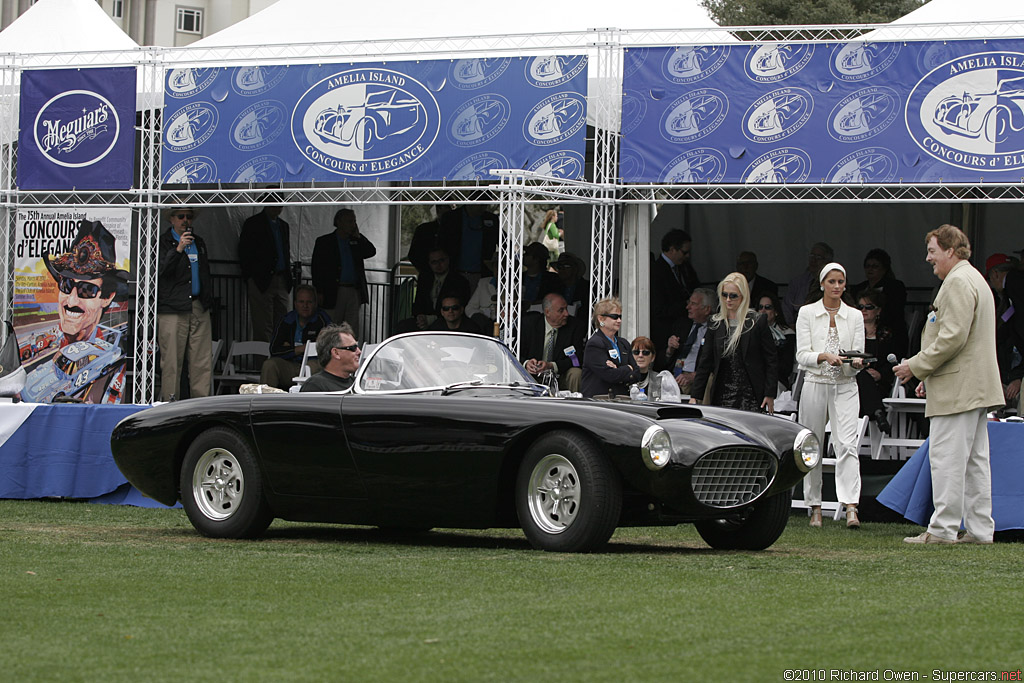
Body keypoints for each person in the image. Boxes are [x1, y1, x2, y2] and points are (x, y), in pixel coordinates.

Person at [894, 225, 1003, 545]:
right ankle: (981, 530)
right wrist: (930, 375)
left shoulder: (957, 281)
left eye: (932, 251)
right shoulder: (974, 279)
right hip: (972, 385)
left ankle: (942, 530)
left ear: (950, 251)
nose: (928, 258)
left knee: (948, 458)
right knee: (974, 461)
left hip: (960, 387)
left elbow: (952, 338)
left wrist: (916, 366)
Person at [795, 262, 865, 530]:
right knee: (812, 443)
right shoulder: (807, 313)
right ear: (823, 283)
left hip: (845, 384)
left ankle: (850, 506)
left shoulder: (855, 316)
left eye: (841, 282)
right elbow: (801, 355)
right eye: (832, 282)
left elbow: (856, 353)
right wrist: (823, 356)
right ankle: (814, 506)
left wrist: (854, 363)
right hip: (815, 382)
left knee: (846, 444)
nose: (837, 286)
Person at [690, 272, 777, 413]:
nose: (728, 299)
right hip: (722, 391)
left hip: (751, 392)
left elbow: (771, 359)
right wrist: (695, 395)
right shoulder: (715, 322)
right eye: (724, 295)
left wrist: (769, 393)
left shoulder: (757, 321)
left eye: (733, 295)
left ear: (743, 296)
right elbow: (705, 362)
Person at [43, 219, 129, 347]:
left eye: (87, 290)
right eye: (66, 285)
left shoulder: (107, 354)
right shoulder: (49, 342)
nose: (71, 301)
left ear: (107, 297)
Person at [157, 206, 213, 401]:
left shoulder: (199, 242)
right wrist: (178, 249)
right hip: (173, 308)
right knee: (172, 361)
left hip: (198, 305)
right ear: (171, 219)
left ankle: (201, 403)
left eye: (189, 217)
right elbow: (162, 272)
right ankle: (170, 404)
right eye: (181, 216)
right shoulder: (163, 243)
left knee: (202, 360)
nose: (185, 220)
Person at [311, 208, 377, 339]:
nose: (352, 224)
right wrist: (319, 291)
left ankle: (350, 354)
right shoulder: (325, 241)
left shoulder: (355, 241)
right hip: (333, 289)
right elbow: (317, 268)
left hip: (353, 289)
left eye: (354, 221)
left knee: (351, 329)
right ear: (339, 222)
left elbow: (371, 251)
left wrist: (359, 236)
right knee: (331, 327)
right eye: (349, 221)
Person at [238, 192, 292, 342]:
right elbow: (244, 252)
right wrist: (251, 277)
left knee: (282, 322)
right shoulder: (254, 223)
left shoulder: (283, 226)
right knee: (263, 325)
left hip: (281, 278)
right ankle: (262, 363)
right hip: (261, 279)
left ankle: (279, 359)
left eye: (280, 203)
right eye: (274, 202)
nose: (277, 206)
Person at [259, 285, 332, 390]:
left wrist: (290, 349)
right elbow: (274, 350)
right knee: (269, 364)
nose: (305, 306)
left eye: (309, 302)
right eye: (301, 302)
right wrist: (301, 349)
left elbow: (326, 349)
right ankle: (265, 403)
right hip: (290, 364)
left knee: (312, 366)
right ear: (295, 304)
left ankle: (305, 403)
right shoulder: (287, 320)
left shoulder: (323, 320)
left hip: (313, 364)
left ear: (315, 304)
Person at [520, 293, 586, 393]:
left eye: (566, 309)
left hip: (561, 375)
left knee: (576, 373)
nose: (566, 314)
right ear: (547, 312)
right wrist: (526, 363)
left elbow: (578, 359)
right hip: (533, 377)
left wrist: (551, 365)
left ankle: (574, 404)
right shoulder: (529, 324)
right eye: (561, 310)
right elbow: (514, 352)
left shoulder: (575, 326)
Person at [851, 248, 908, 358]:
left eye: (875, 266)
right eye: (867, 266)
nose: (870, 269)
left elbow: (895, 312)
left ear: (884, 268)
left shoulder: (895, 287)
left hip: (890, 329)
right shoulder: (858, 288)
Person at [650, 229, 699, 354]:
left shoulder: (685, 267)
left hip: (684, 329)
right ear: (672, 249)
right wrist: (685, 304)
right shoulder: (655, 272)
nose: (687, 256)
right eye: (684, 252)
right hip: (665, 333)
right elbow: (658, 308)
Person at [581, 297, 641, 398]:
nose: (619, 320)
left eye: (620, 317)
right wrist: (627, 368)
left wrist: (618, 369)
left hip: (621, 398)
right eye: (614, 317)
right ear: (601, 319)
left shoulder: (624, 343)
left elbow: (637, 373)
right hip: (599, 401)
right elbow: (609, 375)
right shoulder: (594, 344)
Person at [855, 289, 896, 435]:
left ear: (878, 310)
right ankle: (878, 412)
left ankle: (877, 412)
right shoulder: (853, 332)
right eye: (860, 307)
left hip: (880, 383)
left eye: (869, 307)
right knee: (861, 375)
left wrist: (880, 374)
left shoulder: (887, 334)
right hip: (855, 382)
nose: (864, 310)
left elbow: (893, 361)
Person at [402, 248, 472, 332]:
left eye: (441, 260)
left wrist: (431, 319)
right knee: (403, 326)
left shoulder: (460, 281)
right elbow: (418, 303)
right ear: (429, 263)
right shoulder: (424, 278)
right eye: (434, 262)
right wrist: (420, 317)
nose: (438, 265)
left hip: (448, 321)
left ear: (448, 260)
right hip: (423, 320)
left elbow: (459, 309)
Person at [662, 287, 715, 394]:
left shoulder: (715, 330)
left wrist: (694, 376)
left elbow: (716, 362)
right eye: (688, 302)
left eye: (693, 304)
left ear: (707, 309)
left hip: (698, 380)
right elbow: (661, 360)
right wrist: (669, 350)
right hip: (674, 376)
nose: (687, 307)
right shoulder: (681, 325)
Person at [439, 201, 499, 289]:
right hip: (455, 273)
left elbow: (502, 239)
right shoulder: (451, 217)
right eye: (479, 204)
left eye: (485, 204)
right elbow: (441, 243)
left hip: (482, 274)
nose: (482, 208)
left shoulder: (491, 218)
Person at [782, 242, 833, 326]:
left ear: (827, 262)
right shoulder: (797, 282)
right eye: (812, 256)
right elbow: (786, 308)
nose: (813, 260)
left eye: (818, 257)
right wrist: (791, 326)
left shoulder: (834, 283)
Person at [300, 323, 361, 393]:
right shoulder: (314, 386)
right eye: (353, 348)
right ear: (336, 353)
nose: (359, 351)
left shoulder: (359, 385)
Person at [756, 292, 796, 390]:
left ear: (776, 311)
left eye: (768, 307)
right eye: (760, 307)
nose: (763, 311)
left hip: (777, 380)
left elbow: (786, 367)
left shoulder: (787, 333)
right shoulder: (750, 332)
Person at [406, 204, 452, 274]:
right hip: (428, 274)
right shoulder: (424, 230)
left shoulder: (457, 229)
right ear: (438, 209)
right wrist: (426, 270)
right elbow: (413, 255)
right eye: (449, 208)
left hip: (451, 274)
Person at [521, 242, 560, 307]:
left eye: (527, 254)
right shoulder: (518, 277)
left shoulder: (552, 279)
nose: (523, 256)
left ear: (536, 259)